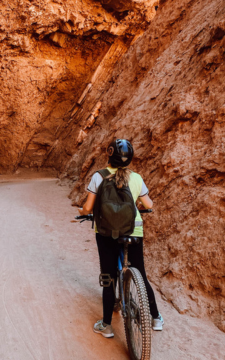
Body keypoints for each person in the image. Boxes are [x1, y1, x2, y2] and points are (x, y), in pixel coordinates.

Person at [78, 139, 164, 338]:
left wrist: (82, 211)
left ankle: (106, 325)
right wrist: (139, 206)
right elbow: (148, 203)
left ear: (109, 155)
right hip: (133, 231)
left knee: (108, 277)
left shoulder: (98, 177)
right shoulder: (136, 178)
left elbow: (88, 208)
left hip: (106, 232)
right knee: (140, 274)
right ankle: (156, 318)